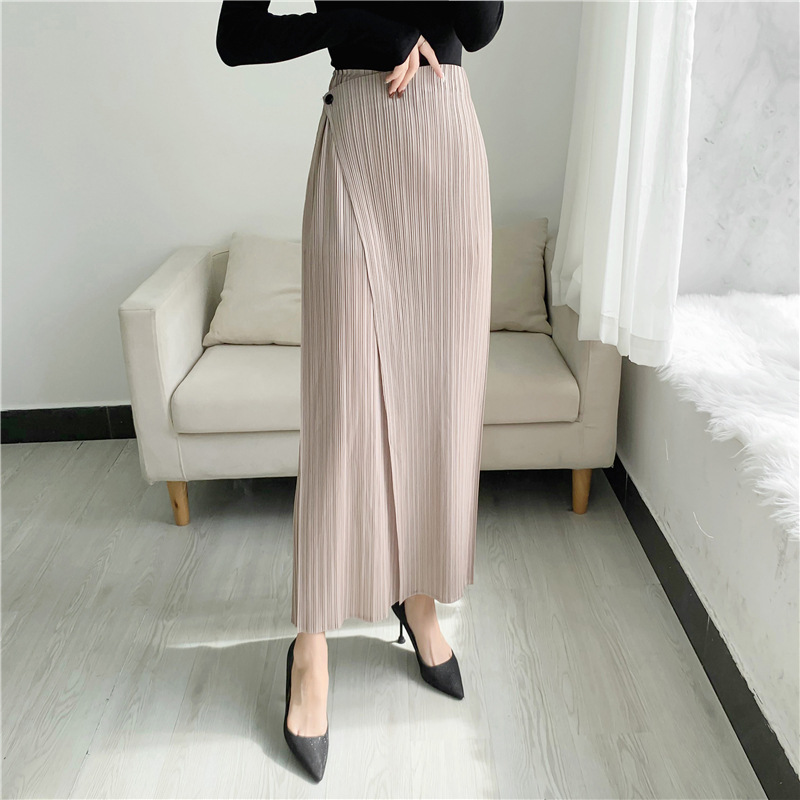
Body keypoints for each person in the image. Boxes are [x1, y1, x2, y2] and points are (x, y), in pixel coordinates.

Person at [216, 0, 504, 782]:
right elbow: (237, 38)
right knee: (341, 413)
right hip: (359, 144)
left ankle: (419, 598)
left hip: (446, 147)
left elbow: (480, 26)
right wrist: (360, 30)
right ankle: (311, 643)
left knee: (442, 399)